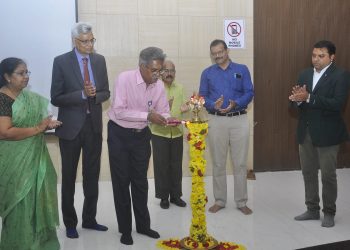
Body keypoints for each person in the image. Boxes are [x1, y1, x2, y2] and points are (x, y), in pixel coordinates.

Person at [51, 22, 110, 238]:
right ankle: (70, 223)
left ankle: (90, 219)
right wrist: (82, 95)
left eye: (92, 40)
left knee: (91, 176)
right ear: (75, 41)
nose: (89, 45)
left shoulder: (99, 60)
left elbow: (106, 92)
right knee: (68, 177)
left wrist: (95, 95)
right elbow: (55, 97)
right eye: (85, 41)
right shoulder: (61, 62)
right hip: (70, 129)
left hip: (93, 126)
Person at [107, 47, 171, 245]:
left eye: (160, 70)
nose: (158, 75)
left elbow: (163, 111)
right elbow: (119, 111)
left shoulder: (158, 85)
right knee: (121, 183)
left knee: (141, 182)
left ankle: (143, 226)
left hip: (142, 136)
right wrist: (147, 116)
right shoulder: (124, 79)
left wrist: (167, 119)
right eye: (154, 70)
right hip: (119, 135)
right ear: (142, 67)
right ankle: (125, 230)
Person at [0, 57, 62, 250]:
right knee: (21, 202)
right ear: (7, 77)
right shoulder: (2, 99)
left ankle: (41, 244)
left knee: (38, 199)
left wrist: (46, 125)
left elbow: (34, 122)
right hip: (14, 160)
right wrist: (37, 128)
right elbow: (4, 132)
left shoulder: (28, 98)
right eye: (21, 73)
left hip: (35, 156)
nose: (26, 77)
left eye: (27, 72)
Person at [289, 40, 350, 227]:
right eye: (314, 55)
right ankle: (312, 209)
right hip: (305, 132)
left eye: (321, 56)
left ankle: (329, 212)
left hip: (328, 133)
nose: (316, 59)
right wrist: (297, 100)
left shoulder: (341, 75)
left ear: (332, 57)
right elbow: (295, 103)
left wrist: (308, 97)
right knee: (308, 173)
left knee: (328, 175)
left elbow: (337, 104)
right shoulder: (304, 73)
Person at [199, 39, 254, 215]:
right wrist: (212, 104)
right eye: (213, 53)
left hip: (239, 119)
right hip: (216, 121)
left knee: (239, 163)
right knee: (218, 163)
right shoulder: (207, 73)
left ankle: (241, 201)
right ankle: (220, 200)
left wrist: (235, 103)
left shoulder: (241, 69)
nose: (217, 56)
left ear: (227, 50)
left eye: (220, 52)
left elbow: (249, 92)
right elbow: (202, 96)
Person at [150, 60, 189, 209]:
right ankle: (163, 197)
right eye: (166, 70)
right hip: (159, 133)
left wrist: (187, 107)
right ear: (160, 73)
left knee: (176, 166)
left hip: (177, 132)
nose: (169, 73)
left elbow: (184, 105)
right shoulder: (154, 88)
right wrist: (164, 108)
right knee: (161, 166)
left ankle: (175, 196)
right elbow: (150, 109)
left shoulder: (180, 87)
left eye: (172, 71)